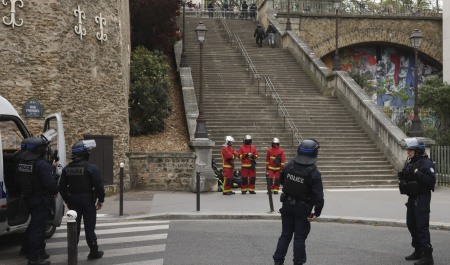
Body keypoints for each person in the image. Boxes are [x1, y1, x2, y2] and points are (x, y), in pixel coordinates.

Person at [273, 139, 324, 265]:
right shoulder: (314, 173)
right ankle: (298, 262)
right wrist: (317, 212)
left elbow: (282, 181)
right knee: (299, 238)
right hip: (302, 208)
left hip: (286, 205)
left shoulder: (288, 166)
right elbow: (318, 197)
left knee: (285, 235)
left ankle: (278, 261)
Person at [16, 133, 59, 265]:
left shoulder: (22, 162)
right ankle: (34, 258)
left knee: (33, 225)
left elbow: (18, 179)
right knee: (38, 228)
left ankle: (29, 250)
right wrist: (56, 191)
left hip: (27, 198)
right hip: (40, 200)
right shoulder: (41, 164)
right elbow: (49, 183)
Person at [59, 140, 105, 260]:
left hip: (73, 199)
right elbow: (99, 185)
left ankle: (72, 253)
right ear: (84, 153)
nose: (89, 152)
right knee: (89, 227)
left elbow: (61, 187)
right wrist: (101, 199)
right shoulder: (91, 168)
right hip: (87, 199)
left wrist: (67, 200)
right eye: (88, 151)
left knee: (74, 227)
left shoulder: (67, 169)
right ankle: (94, 251)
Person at [398, 138, 436, 265]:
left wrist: (416, 172)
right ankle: (418, 250)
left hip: (422, 198)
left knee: (421, 227)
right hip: (412, 198)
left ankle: (428, 256)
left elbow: (431, 181)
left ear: (418, 151)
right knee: (411, 225)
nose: (408, 152)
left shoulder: (426, 163)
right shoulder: (411, 162)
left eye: (410, 150)